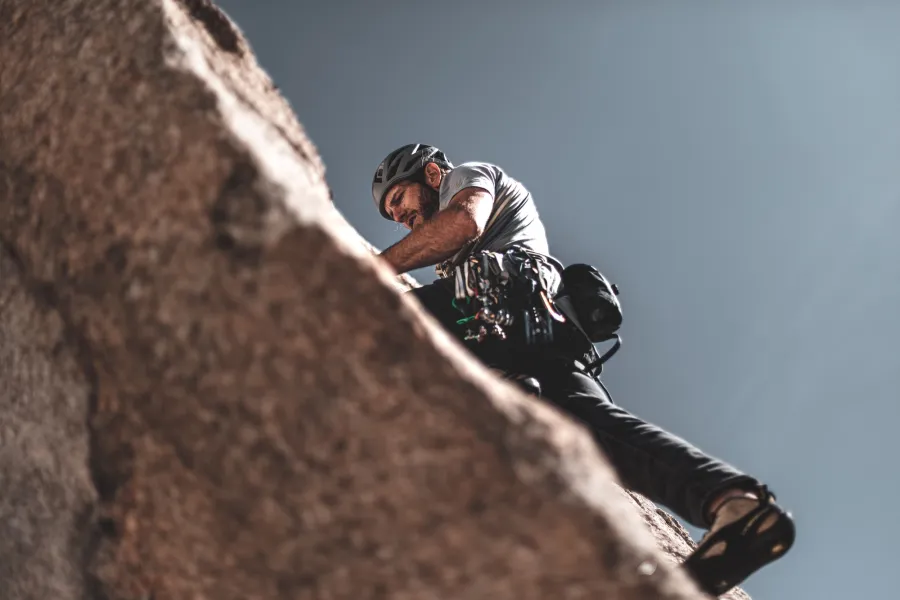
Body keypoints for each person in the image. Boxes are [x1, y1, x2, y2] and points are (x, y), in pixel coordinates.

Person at [371, 143, 796, 596]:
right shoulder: (457, 248)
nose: (399, 217)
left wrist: (374, 267)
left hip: (504, 303)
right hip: (543, 334)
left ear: (432, 174)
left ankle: (502, 393)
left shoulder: (467, 177)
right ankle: (736, 507)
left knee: (378, 329)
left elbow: (463, 222)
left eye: (399, 200)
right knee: (592, 432)